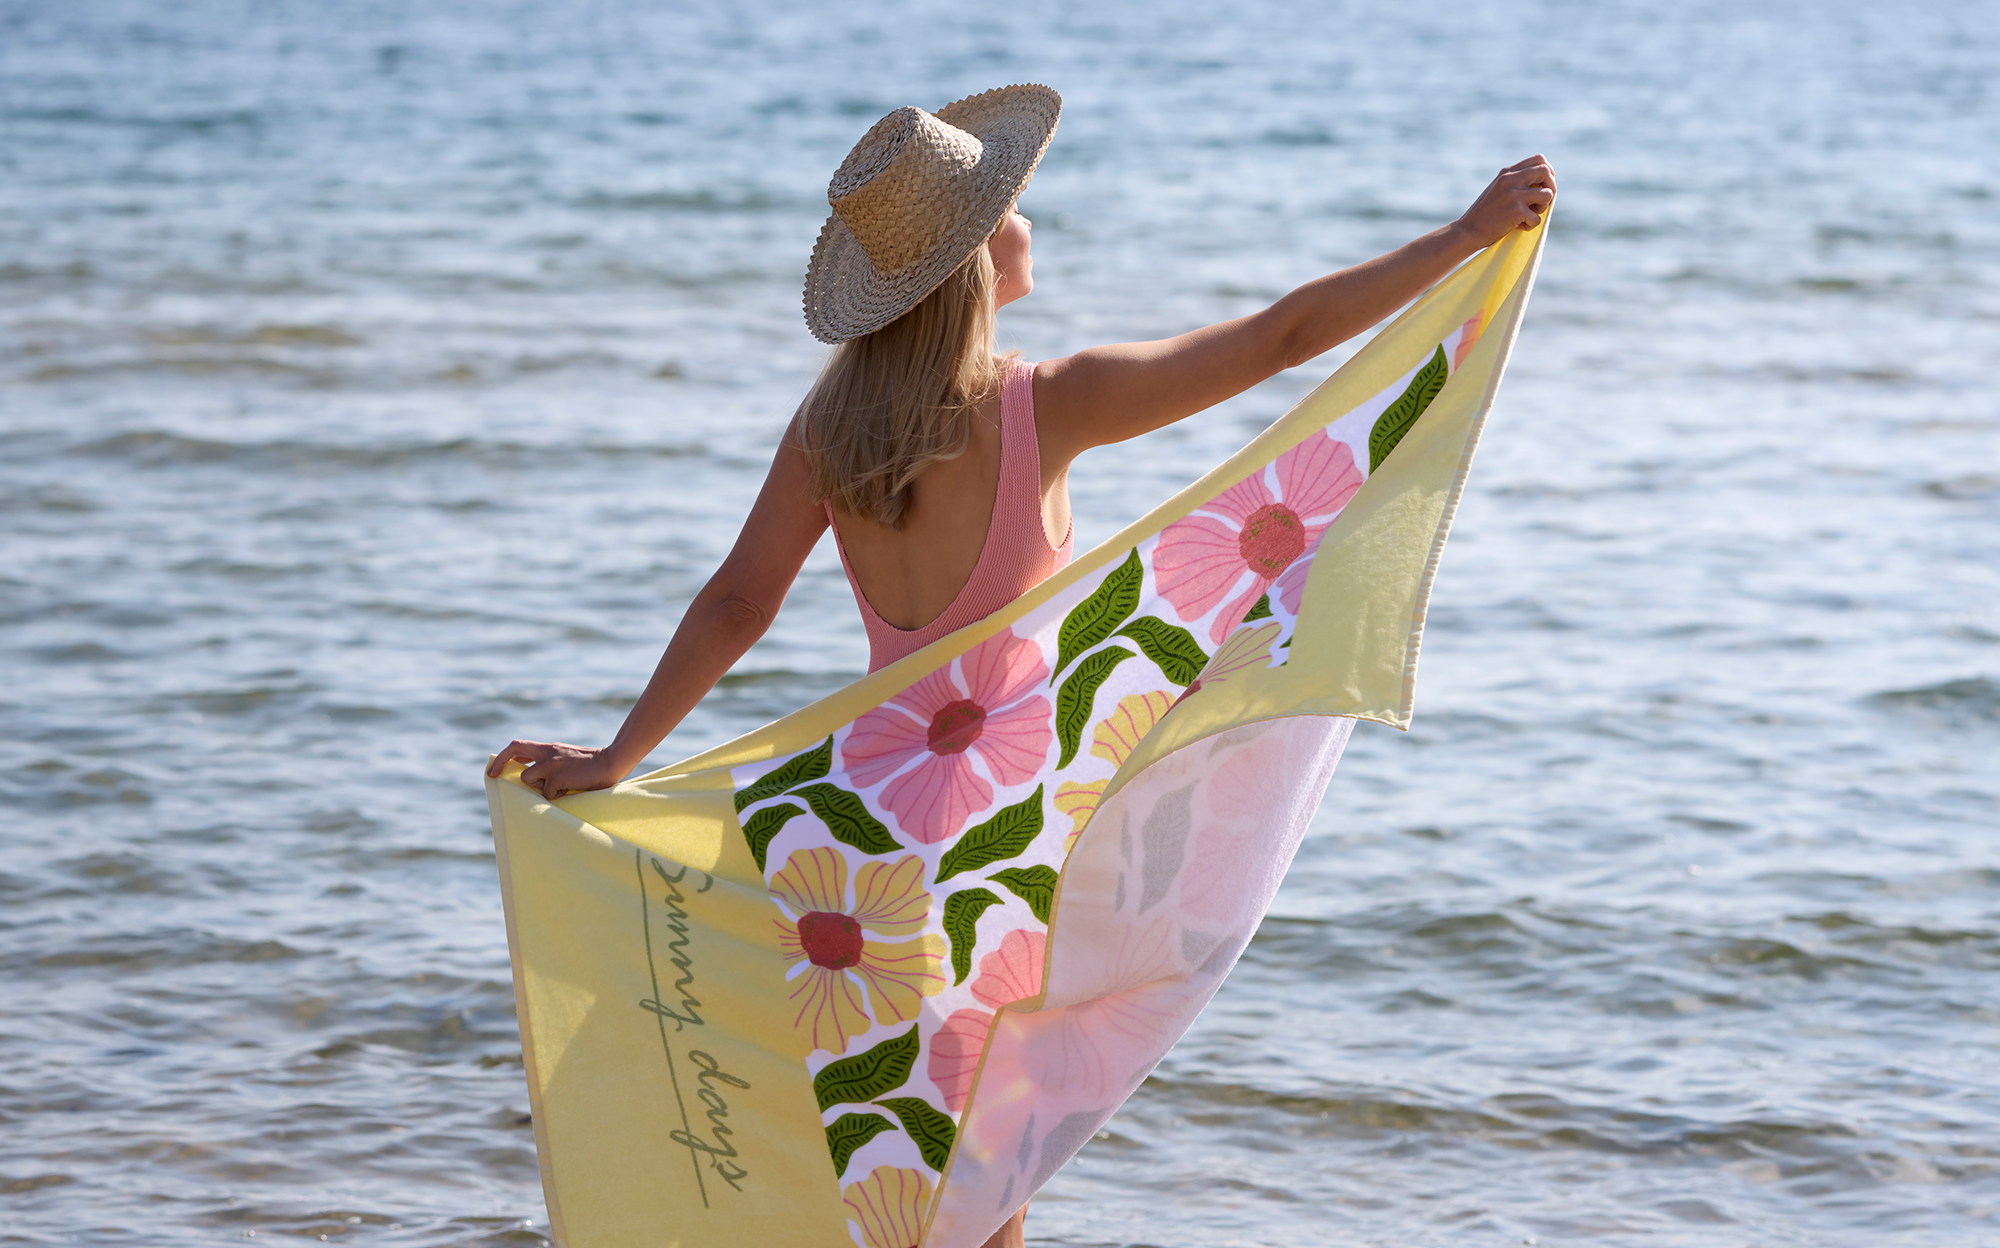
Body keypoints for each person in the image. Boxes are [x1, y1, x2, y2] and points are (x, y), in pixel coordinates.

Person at [487, 84, 1551, 1247]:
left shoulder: (828, 433)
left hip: (862, 842)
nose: (1028, 219)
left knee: (901, 1166)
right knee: (986, 1178)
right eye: (1012, 204)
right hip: (999, 846)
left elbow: (739, 601)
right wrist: (1458, 241)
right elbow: (1283, 339)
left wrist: (620, 756)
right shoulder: (1045, 406)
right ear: (976, 258)